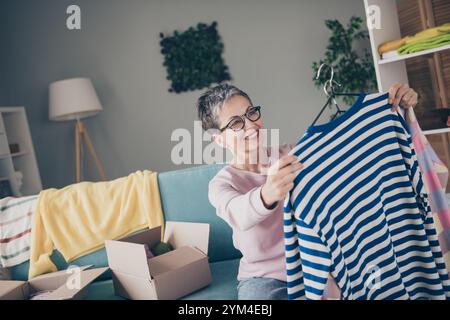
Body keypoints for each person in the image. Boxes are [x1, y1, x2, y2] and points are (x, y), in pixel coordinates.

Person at [197, 83, 419, 300]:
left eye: (251, 113)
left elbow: (344, 155)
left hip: (317, 262)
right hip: (266, 279)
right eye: (236, 123)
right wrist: (268, 193)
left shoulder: (293, 154)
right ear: (219, 139)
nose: (250, 125)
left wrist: (397, 107)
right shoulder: (221, 184)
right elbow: (237, 213)